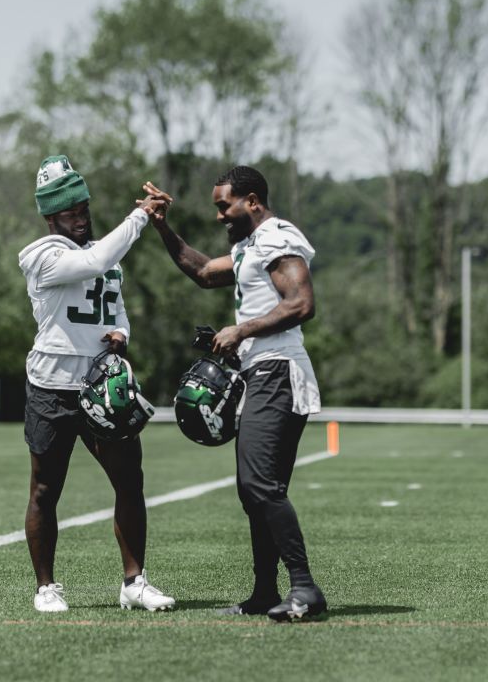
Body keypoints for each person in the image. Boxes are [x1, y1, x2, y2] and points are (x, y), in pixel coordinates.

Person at [142, 165, 328, 622]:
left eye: (224, 205)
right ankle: (266, 592)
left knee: (258, 485)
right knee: (256, 492)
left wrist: (240, 329)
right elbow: (204, 271)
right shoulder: (248, 248)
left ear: (253, 201)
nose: (220, 214)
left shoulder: (276, 237)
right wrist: (162, 226)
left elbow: (302, 304)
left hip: (278, 371)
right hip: (259, 372)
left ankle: (305, 587)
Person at [17, 154, 175, 614]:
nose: (80, 219)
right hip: (52, 383)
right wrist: (141, 215)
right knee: (46, 488)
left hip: (102, 379)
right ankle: (46, 586)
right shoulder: (43, 255)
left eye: (83, 210)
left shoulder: (99, 251)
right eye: (70, 213)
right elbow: (96, 261)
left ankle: (134, 581)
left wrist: (123, 332)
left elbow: (114, 301)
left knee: (130, 480)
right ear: (51, 217)